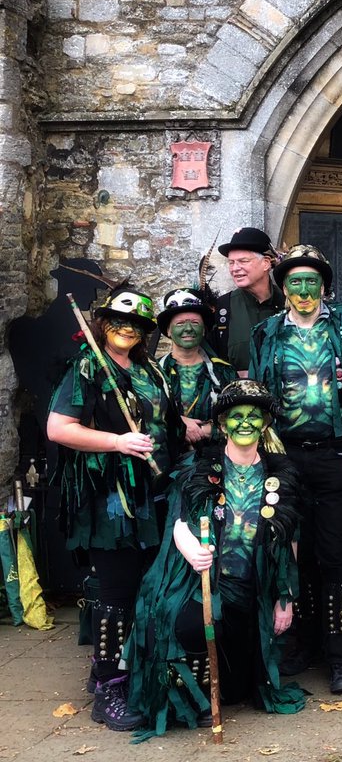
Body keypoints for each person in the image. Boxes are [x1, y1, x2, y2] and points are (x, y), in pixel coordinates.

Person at [126, 380, 305, 737]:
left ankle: (227, 677)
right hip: (204, 585)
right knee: (190, 626)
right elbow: (177, 522)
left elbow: (289, 542)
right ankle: (191, 696)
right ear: (222, 424)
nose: (245, 423)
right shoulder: (197, 468)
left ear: (265, 424)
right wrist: (191, 549)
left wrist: (285, 598)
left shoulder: (280, 476)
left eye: (254, 416)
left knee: (239, 689)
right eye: (235, 416)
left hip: (251, 592)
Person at [248, 244, 342, 694]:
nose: (303, 289)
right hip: (283, 456)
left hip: (336, 454)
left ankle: (341, 657)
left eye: (311, 281)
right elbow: (255, 394)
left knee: (336, 556)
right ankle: (300, 644)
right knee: (291, 552)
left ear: (324, 285)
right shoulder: (267, 333)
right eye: (294, 281)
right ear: (283, 287)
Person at [46, 286, 182, 731]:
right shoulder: (88, 367)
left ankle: (124, 672)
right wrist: (117, 442)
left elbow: (166, 424)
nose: (128, 328)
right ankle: (110, 690)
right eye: (120, 321)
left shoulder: (151, 372)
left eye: (138, 324)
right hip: (111, 502)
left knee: (145, 587)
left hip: (154, 498)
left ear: (146, 332)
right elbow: (59, 428)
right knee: (116, 593)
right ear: (103, 323)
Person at [157, 288, 239, 450]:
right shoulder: (152, 372)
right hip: (167, 463)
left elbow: (240, 419)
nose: (188, 329)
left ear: (204, 330)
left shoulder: (224, 372)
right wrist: (179, 425)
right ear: (168, 330)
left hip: (214, 462)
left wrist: (208, 430)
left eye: (195, 323)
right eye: (180, 323)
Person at [210, 228, 284, 377]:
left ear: (266, 263)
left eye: (243, 261)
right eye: (231, 263)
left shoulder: (289, 304)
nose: (235, 269)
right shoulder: (221, 308)